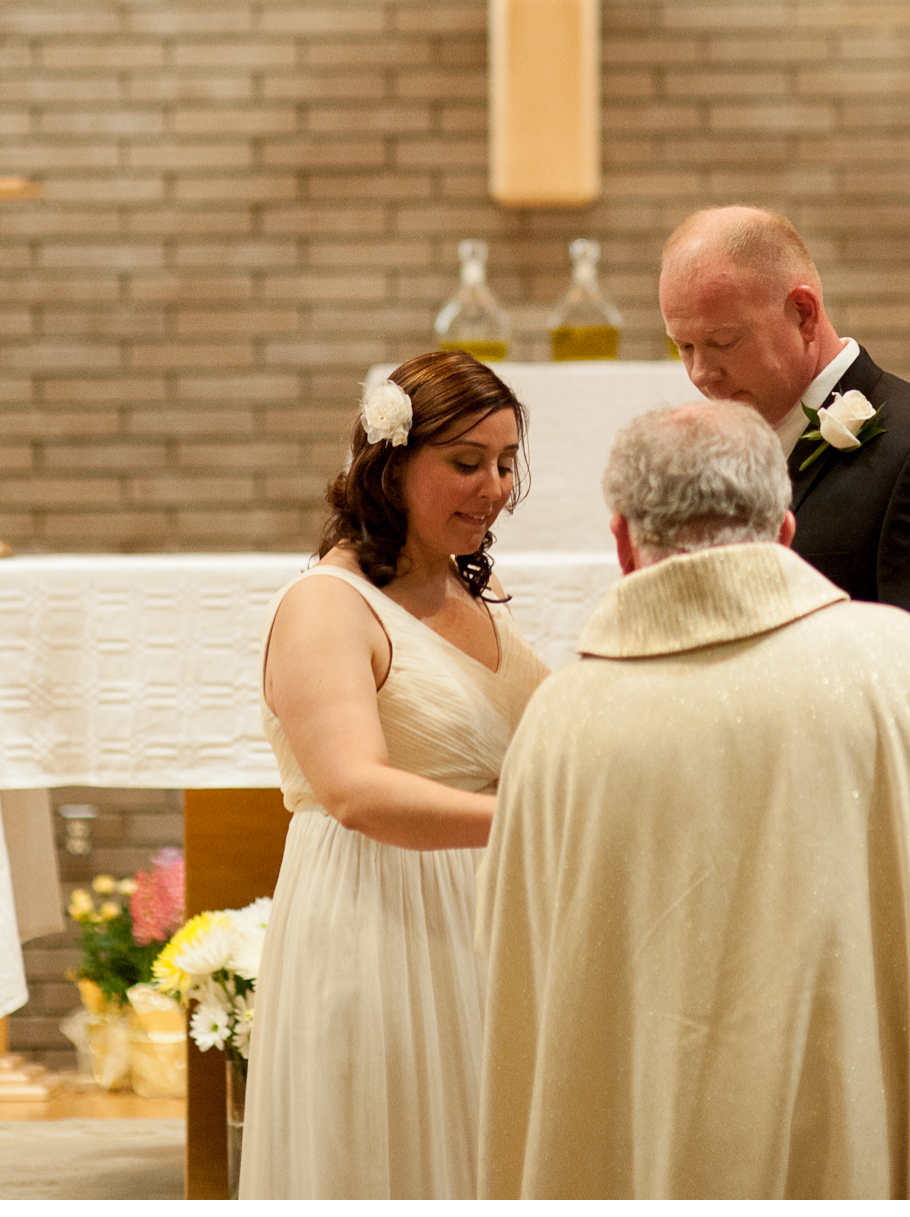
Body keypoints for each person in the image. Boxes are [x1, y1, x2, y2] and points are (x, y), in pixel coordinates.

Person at [480, 398, 910, 1195]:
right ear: (786, 528)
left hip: (647, 1148)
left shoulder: (560, 722)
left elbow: (519, 973)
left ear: (622, 542)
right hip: (864, 1137)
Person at [240, 348, 548, 1200]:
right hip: (379, 922)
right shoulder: (325, 606)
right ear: (392, 463)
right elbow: (354, 790)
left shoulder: (463, 595)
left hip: (480, 923)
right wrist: (538, 820)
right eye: (466, 462)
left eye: (506, 462)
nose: (494, 488)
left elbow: (555, 731)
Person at [655, 204, 910, 716]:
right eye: (684, 346)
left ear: (803, 313)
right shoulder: (725, 452)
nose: (701, 374)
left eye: (723, 342)